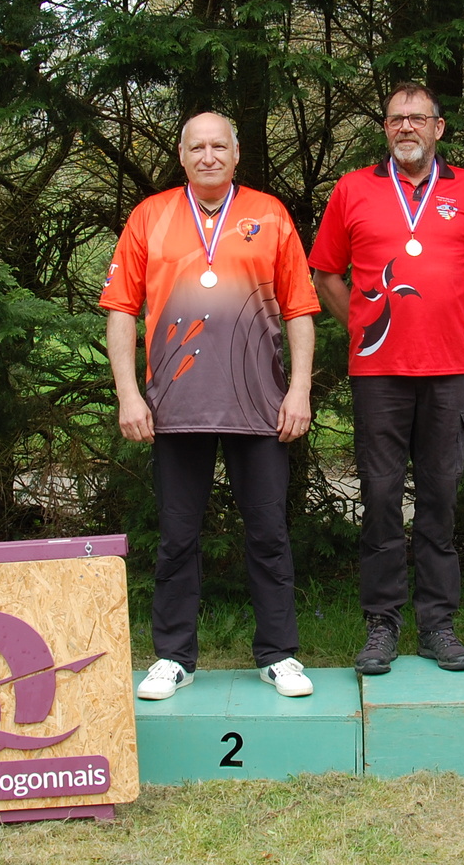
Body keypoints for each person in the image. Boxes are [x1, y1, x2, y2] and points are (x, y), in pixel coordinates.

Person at [101, 112, 319, 700]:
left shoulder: (270, 214)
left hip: (260, 406)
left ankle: (278, 655)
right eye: (196, 147)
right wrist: (128, 394)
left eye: (218, 146)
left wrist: (299, 389)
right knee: (176, 537)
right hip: (174, 406)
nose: (208, 156)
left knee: (269, 533)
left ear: (236, 153)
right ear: (181, 155)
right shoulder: (149, 216)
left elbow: (300, 308)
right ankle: (173, 657)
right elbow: (120, 309)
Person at [309, 82, 464, 674]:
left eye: (418, 118)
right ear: (385, 129)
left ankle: (438, 624)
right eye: (396, 119)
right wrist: (365, 325)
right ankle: (382, 624)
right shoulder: (353, 189)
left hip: (447, 370)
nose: (406, 127)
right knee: (381, 498)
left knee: (440, 499)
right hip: (379, 372)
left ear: (438, 127)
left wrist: (449, 317)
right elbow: (325, 274)